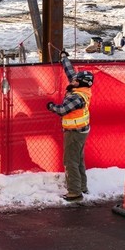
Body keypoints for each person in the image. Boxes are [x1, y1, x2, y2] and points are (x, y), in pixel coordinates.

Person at [46, 51, 94, 202]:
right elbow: (71, 72)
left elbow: (62, 110)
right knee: (78, 159)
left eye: (76, 80)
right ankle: (82, 187)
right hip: (81, 130)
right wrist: (64, 58)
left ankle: (74, 193)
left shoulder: (76, 97)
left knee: (70, 161)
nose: (72, 80)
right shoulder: (82, 89)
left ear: (81, 83)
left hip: (74, 132)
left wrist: (51, 106)